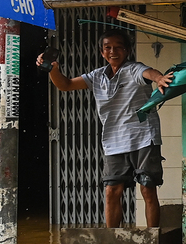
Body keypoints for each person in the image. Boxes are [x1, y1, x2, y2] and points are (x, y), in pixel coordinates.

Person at [37, 29, 174, 228]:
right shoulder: (97, 76)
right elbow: (66, 85)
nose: (113, 51)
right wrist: (53, 70)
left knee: (147, 187)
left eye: (118, 47)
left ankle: (153, 238)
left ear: (127, 50)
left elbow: (149, 73)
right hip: (114, 141)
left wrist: (159, 78)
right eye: (107, 47)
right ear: (102, 53)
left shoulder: (133, 69)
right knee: (112, 191)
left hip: (143, 136)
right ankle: (113, 240)